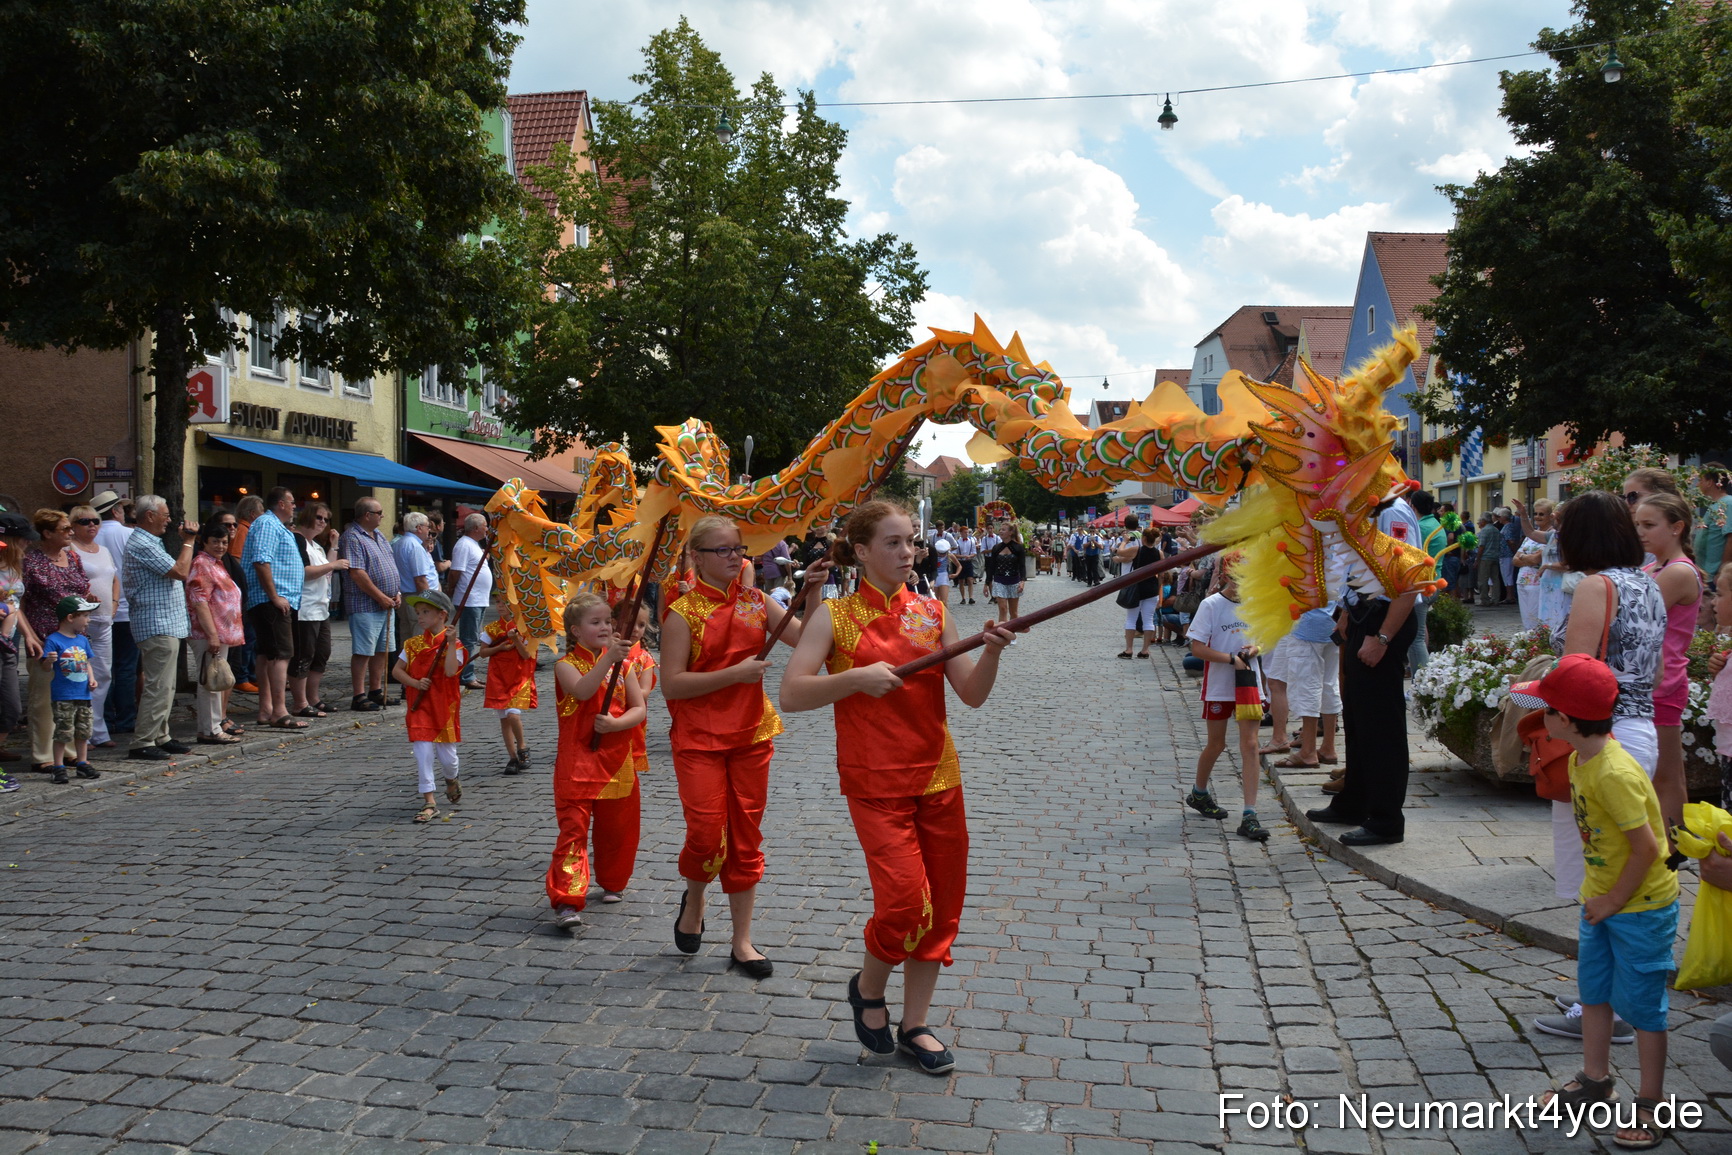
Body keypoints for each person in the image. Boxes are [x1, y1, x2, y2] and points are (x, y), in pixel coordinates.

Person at [780, 500, 1016, 1074]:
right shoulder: (833, 616)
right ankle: (868, 987)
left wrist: (990, 652)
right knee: (906, 902)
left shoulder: (933, 612)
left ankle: (915, 1024)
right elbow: (791, 693)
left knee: (943, 907)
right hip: (874, 782)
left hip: (938, 777)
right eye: (893, 542)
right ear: (861, 552)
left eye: (911, 541)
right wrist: (854, 678)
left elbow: (971, 695)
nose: (908, 552)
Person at [1509, 656, 1676, 1150]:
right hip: (1602, 900)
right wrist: (1600, 899)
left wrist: (1613, 900)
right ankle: (1595, 1080)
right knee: (1594, 992)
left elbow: (1648, 849)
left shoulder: (1613, 773)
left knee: (1645, 1008)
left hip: (1640, 906)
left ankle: (1652, 1101)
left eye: (1545, 710)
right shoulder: (1580, 758)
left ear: (1564, 719)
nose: (1540, 717)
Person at [661, 516, 827, 979]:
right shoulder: (682, 613)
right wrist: (734, 674)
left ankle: (742, 941)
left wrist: (813, 591)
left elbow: (807, 640)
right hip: (699, 739)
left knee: (746, 836)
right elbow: (671, 685)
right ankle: (695, 899)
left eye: (738, 548)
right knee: (706, 834)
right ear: (697, 558)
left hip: (752, 734)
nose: (735, 557)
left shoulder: (757, 601)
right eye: (723, 550)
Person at [1306, 495, 1422, 847]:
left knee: (1381, 725)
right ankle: (1354, 801)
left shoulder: (1391, 511)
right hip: (1363, 616)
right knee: (1358, 719)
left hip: (1383, 622)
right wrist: (1345, 612)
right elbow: (1358, 567)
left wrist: (1383, 636)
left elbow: (1409, 580)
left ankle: (1386, 820)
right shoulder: (1363, 507)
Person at [545, 592, 646, 928]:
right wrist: (608, 660)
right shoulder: (564, 666)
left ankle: (613, 881)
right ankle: (567, 899)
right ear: (576, 631)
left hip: (616, 760)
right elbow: (583, 691)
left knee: (617, 828)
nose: (605, 627)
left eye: (607, 621)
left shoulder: (624, 665)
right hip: (577, 761)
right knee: (573, 830)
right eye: (595, 622)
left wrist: (617, 724)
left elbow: (638, 708)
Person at [1185, 557, 1270, 842]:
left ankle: (1250, 814)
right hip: (1219, 685)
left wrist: (1255, 649)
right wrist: (1231, 659)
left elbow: (1265, 638)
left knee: (1250, 745)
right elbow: (1197, 649)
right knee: (1217, 743)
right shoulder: (1211, 605)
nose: (1241, 583)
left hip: (1248, 683)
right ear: (1224, 576)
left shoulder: (1257, 602)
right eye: (1236, 577)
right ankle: (1199, 793)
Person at [1634, 493, 1699, 833]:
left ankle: (1674, 847)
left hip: (1664, 681)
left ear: (1676, 527)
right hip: (1653, 679)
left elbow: (1632, 612)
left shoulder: (1677, 572)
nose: (1641, 532)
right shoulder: (1654, 567)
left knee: (1666, 776)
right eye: (1638, 525)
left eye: (1649, 525)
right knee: (1658, 774)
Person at [122, 496, 198, 761]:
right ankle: (142, 741)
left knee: (166, 686)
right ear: (150, 516)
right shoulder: (142, 543)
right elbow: (180, 570)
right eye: (165, 515)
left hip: (166, 622)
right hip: (156, 623)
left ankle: (160, 735)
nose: (169, 520)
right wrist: (188, 541)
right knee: (158, 686)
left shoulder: (151, 541)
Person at [22, 509, 91, 773]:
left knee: (72, 698)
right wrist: (29, 635)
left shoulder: (72, 557)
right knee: (43, 700)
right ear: (47, 533)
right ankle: (43, 755)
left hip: (75, 640)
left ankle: (70, 752)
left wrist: (88, 600)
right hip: (44, 639)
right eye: (65, 529)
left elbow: (82, 589)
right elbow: (19, 602)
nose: (71, 532)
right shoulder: (31, 561)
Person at [392, 589, 466, 823]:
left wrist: (451, 643)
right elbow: (397, 671)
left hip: (443, 708)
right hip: (420, 706)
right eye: (418, 612)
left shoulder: (455, 644)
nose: (420, 617)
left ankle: (451, 778)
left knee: (448, 759)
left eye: (425, 612)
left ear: (442, 615)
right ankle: (429, 801)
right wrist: (414, 682)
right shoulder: (412, 644)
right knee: (422, 751)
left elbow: (451, 671)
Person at [241, 487, 303, 730]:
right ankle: (279, 710)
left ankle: (267, 709)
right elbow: (261, 560)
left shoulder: (276, 525)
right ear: (281, 503)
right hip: (271, 600)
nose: (295, 506)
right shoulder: (268, 523)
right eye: (292, 501)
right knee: (280, 654)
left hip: (275, 599)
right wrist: (274, 596)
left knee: (267, 654)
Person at [186, 518, 244, 745]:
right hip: (208, 634)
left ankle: (210, 728)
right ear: (204, 542)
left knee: (214, 680)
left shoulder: (215, 563)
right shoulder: (202, 564)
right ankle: (211, 729)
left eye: (224, 542)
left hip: (220, 634)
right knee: (210, 682)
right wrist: (212, 635)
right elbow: (199, 601)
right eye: (215, 541)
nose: (220, 546)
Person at [340, 499, 401, 712]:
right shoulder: (352, 537)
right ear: (367, 515)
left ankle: (376, 690)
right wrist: (380, 596)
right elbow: (357, 573)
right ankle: (358, 695)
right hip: (365, 603)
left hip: (386, 603)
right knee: (364, 650)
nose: (382, 515)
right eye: (379, 512)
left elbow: (390, 565)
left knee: (382, 649)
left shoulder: (379, 535)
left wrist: (396, 593)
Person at [67, 504, 119, 749]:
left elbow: (114, 579)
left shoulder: (104, 550)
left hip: (104, 620)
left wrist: (115, 602)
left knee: (103, 675)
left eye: (95, 521)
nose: (91, 525)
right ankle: (81, 733)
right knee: (80, 675)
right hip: (81, 622)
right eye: (84, 521)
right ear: (73, 526)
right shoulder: (70, 549)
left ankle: (97, 730)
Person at [291, 503, 347, 718]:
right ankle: (300, 702)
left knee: (321, 653)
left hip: (321, 607)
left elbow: (326, 571)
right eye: (319, 517)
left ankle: (313, 698)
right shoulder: (297, 540)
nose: (323, 522)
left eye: (326, 519)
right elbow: (304, 572)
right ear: (307, 517)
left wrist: (334, 546)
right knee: (303, 655)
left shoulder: (316, 545)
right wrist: (333, 565)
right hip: (305, 607)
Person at [39, 595, 102, 784]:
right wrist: (49, 661)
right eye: (85, 616)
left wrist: (92, 678)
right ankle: (58, 767)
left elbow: (86, 662)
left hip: (83, 694)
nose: (88, 620)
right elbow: (46, 668)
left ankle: (82, 763)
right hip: (63, 695)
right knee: (63, 731)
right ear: (70, 617)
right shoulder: (53, 640)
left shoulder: (82, 640)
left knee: (83, 731)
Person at [92, 492, 138, 735]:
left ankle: (105, 718)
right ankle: (126, 719)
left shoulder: (90, 536)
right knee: (126, 667)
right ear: (116, 511)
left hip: (99, 612)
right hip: (126, 609)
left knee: (102, 667)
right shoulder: (129, 534)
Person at [477, 596, 537, 773]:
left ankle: (522, 747)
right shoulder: (491, 629)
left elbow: (527, 655)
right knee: (504, 719)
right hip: (499, 677)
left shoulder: (524, 628)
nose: (500, 606)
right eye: (497, 602)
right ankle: (512, 758)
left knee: (513, 715)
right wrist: (500, 648)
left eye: (505, 602)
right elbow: (483, 652)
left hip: (518, 676)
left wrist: (516, 640)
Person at [0, 514, 37, 785]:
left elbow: (15, 606)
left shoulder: (14, 566)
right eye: (24, 539)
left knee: (11, 707)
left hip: (9, 645)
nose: (28, 543)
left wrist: (29, 635)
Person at [447, 513, 492, 689]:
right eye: (485, 525)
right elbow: (455, 572)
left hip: (478, 599)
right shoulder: (464, 545)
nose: (487, 528)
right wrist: (451, 589)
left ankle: (468, 673)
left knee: (472, 638)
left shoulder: (473, 544)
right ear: (475, 528)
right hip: (470, 599)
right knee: (469, 639)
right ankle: (466, 675)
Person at [227, 494, 265, 693]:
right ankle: (242, 676)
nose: (264, 514)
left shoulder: (246, 529)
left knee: (252, 637)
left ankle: (250, 675)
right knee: (248, 637)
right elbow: (238, 563)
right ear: (252, 514)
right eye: (261, 510)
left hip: (247, 592)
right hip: (245, 593)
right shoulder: (244, 530)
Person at [392, 512, 438, 656]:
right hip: (416, 598)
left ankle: (406, 666)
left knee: (406, 637)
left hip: (405, 596)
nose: (428, 530)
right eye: (427, 527)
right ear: (419, 528)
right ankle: (416, 667)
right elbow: (420, 580)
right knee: (419, 637)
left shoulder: (399, 543)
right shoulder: (415, 546)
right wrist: (428, 602)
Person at [1511, 497, 1557, 633]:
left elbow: (1536, 559)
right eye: (1536, 513)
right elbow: (1515, 560)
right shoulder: (1530, 537)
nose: (1537, 517)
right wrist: (1527, 558)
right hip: (1523, 581)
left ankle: (1536, 642)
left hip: (1538, 583)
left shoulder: (1552, 535)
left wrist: (1524, 557)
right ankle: (1529, 642)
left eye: (1541, 514)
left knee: (1536, 620)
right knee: (1526, 620)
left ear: (1550, 516)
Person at [1114, 528, 1161, 658]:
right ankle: (1145, 650)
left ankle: (1129, 649)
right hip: (1152, 589)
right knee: (1148, 620)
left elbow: (1120, 551)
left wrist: (1124, 541)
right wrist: (1159, 592)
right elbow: (1161, 575)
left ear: (1143, 538)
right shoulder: (1159, 553)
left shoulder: (1137, 549)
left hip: (1137, 588)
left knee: (1131, 619)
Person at [1696, 464, 1732, 585]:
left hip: (1715, 577)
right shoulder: (1715, 505)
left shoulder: (1728, 504)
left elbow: (1731, 538)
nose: (1697, 484)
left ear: (1709, 482)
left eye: (1700, 480)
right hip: (1707, 575)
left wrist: (1722, 572)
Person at [985, 523, 1026, 628]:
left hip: (1014, 581)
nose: (1000, 531)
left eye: (1003, 530)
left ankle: (1012, 631)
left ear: (1010, 532)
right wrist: (987, 583)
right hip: (999, 581)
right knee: (1003, 608)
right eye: (1000, 529)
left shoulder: (1018, 548)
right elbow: (991, 567)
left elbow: (1022, 566)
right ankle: (1002, 632)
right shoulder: (996, 548)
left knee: (1013, 612)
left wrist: (1022, 581)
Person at [955, 527, 978, 605]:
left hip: (968, 562)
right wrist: (962, 556)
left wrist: (970, 556)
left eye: (967, 532)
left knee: (970, 579)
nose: (967, 534)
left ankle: (971, 597)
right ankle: (963, 598)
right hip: (960, 562)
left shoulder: (971, 541)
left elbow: (974, 552)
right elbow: (954, 554)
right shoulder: (957, 542)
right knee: (961, 581)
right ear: (961, 533)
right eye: (965, 532)